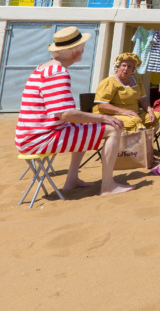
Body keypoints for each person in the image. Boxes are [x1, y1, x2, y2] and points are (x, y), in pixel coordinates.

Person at [14, 26, 133, 195]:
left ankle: (72, 179)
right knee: (114, 128)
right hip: (39, 139)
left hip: (28, 136)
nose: (84, 49)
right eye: (82, 46)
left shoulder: (44, 68)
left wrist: (92, 118)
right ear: (74, 51)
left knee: (83, 125)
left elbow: (63, 114)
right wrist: (103, 118)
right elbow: (66, 114)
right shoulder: (58, 73)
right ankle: (108, 185)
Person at [92, 53, 159, 132]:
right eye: (124, 65)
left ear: (133, 69)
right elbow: (102, 105)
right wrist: (123, 112)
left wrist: (150, 111)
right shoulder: (109, 81)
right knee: (134, 122)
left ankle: (147, 143)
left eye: (129, 66)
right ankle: (136, 144)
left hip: (133, 113)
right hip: (111, 114)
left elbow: (143, 100)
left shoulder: (137, 81)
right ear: (118, 66)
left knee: (156, 116)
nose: (126, 69)